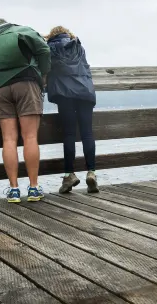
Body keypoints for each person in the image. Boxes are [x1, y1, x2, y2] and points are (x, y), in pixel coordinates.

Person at [0, 19, 51, 203]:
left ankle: (13, 190)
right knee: (30, 137)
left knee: (8, 139)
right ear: (6, 25)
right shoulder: (20, 30)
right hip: (26, 83)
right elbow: (44, 50)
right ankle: (34, 189)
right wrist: (42, 74)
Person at [45, 26, 98, 194]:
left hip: (64, 93)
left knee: (69, 134)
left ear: (52, 36)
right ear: (68, 35)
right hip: (84, 92)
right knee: (87, 133)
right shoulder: (78, 46)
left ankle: (69, 175)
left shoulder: (50, 48)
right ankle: (91, 172)